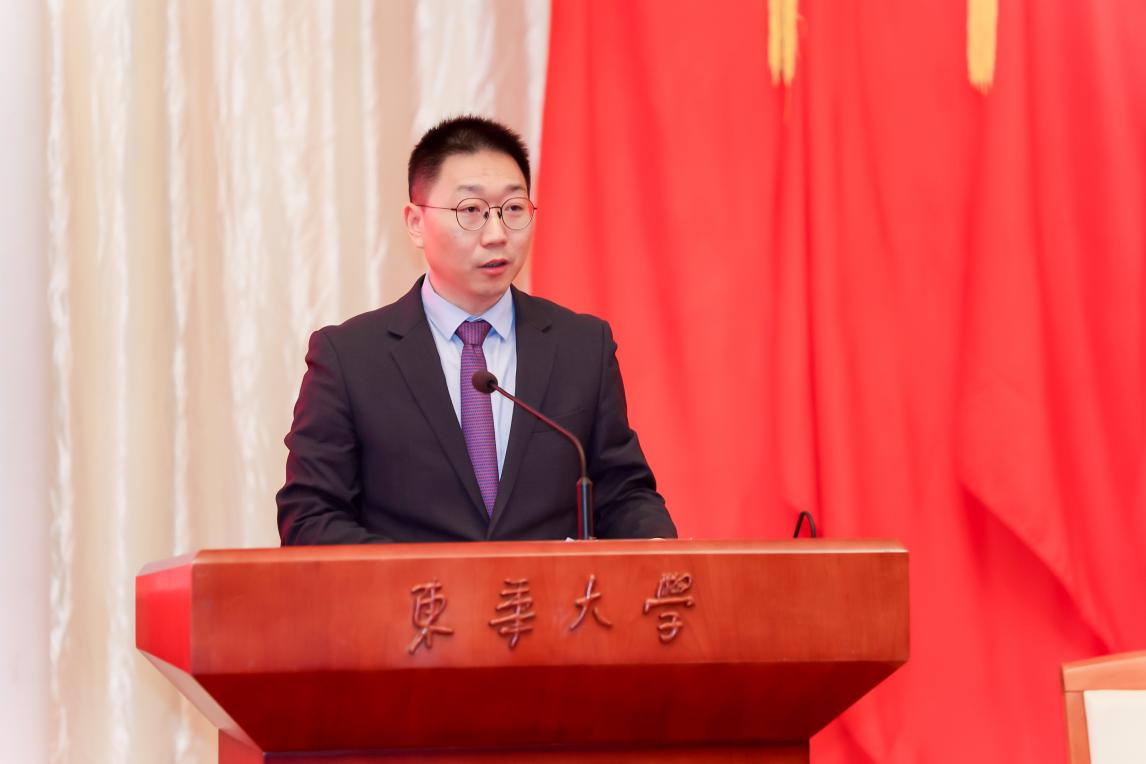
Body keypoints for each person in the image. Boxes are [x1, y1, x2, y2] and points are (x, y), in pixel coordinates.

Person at [276, 116, 675, 544]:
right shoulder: (350, 358)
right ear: (415, 222)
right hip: (413, 590)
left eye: (513, 209)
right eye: (471, 211)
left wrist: (656, 549)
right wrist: (432, 575)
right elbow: (310, 518)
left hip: (549, 591)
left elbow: (623, 494)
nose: (496, 234)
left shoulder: (582, 347)